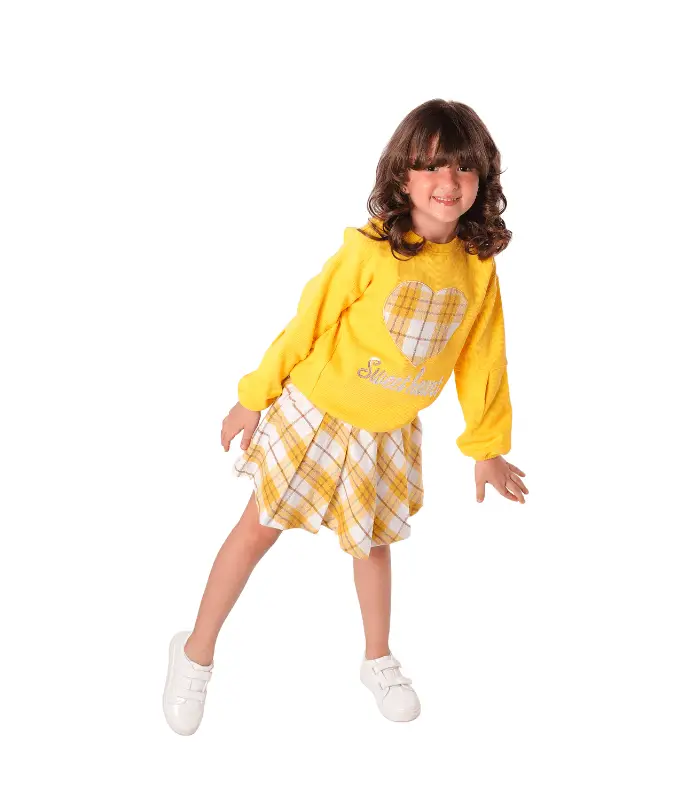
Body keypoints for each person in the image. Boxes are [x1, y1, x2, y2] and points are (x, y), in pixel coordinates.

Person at [162, 98, 529, 734]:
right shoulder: (372, 251)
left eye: (464, 168)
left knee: (374, 545)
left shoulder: (477, 268)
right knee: (258, 529)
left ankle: (377, 659)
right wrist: (254, 394)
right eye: (432, 166)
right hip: (318, 412)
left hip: (387, 430)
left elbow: (483, 357)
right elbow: (308, 321)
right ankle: (194, 652)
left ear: (482, 180)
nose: (448, 182)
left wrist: (487, 446)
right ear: (403, 177)